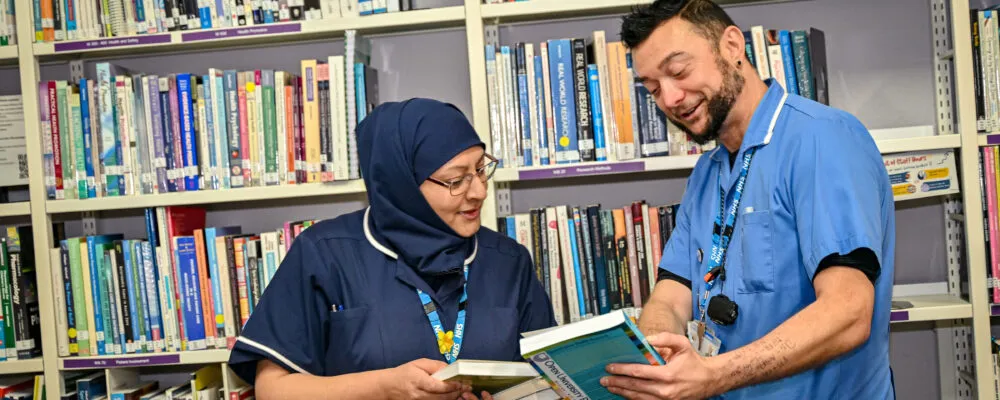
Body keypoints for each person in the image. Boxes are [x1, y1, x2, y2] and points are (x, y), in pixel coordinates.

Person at [599, 0, 896, 399]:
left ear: (733, 46)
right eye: (653, 89)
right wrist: (655, 350)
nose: (669, 98)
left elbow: (849, 312)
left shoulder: (822, 139)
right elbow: (672, 294)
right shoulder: (707, 174)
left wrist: (713, 375)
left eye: (679, 72)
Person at [227, 98, 557, 400]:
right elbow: (272, 390)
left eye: (480, 169)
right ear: (402, 184)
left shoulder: (509, 260)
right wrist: (384, 388)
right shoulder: (324, 253)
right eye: (456, 180)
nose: (479, 192)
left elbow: (548, 380)